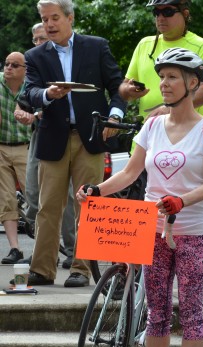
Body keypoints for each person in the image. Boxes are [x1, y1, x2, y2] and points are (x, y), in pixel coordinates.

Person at [76, 48, 203, 347]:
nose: (164, 84)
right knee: (155, 313)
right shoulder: (153, 126)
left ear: (193, 83)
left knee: (191, 312)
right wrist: (96, 190)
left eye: (172, 77)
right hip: (152, 229)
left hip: (194, 232)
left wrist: (181, 201)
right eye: (162, 77)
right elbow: (131, 172)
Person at [22, 0, 126, 287]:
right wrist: (47, 94)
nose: (49, 25)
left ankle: (81, 269)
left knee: (88, 205)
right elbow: (29, 92)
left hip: (90, 137)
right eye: (45, 19)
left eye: (55, 18)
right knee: (47, 207)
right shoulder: (35, 55)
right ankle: (42, 270)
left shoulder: (96, 46)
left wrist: (115, 116)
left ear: (70, 18)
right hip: (53, 136)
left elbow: (117, 86)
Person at [19, 22, 77, 270]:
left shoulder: (68, 59)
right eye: (36, 40)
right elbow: (24, 100)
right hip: (43, 137)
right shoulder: (34, 61)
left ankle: (74, 253)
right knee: (37, 199)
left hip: (74, 136)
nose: (40, 44)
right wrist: (24, 112)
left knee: (72, 200)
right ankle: (46, 255)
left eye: (43, 38)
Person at [119, 0, 203, 119]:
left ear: (185, 14)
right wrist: (127, 91)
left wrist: (170, 108)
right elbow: (124, 87)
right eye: (156, 12)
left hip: (188, 134)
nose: (160, 17)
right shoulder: (144, 44)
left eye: (168, 12)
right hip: (148, 133)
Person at [0, 52, 33, 264]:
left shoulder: (30, 88)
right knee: (6, 199)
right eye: (6, 64)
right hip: (1, 147)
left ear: (25, 70)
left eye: (14, 65)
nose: (9, 68)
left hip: (26, 147)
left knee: (34, 197)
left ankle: (43, 247)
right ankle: (14, 248)